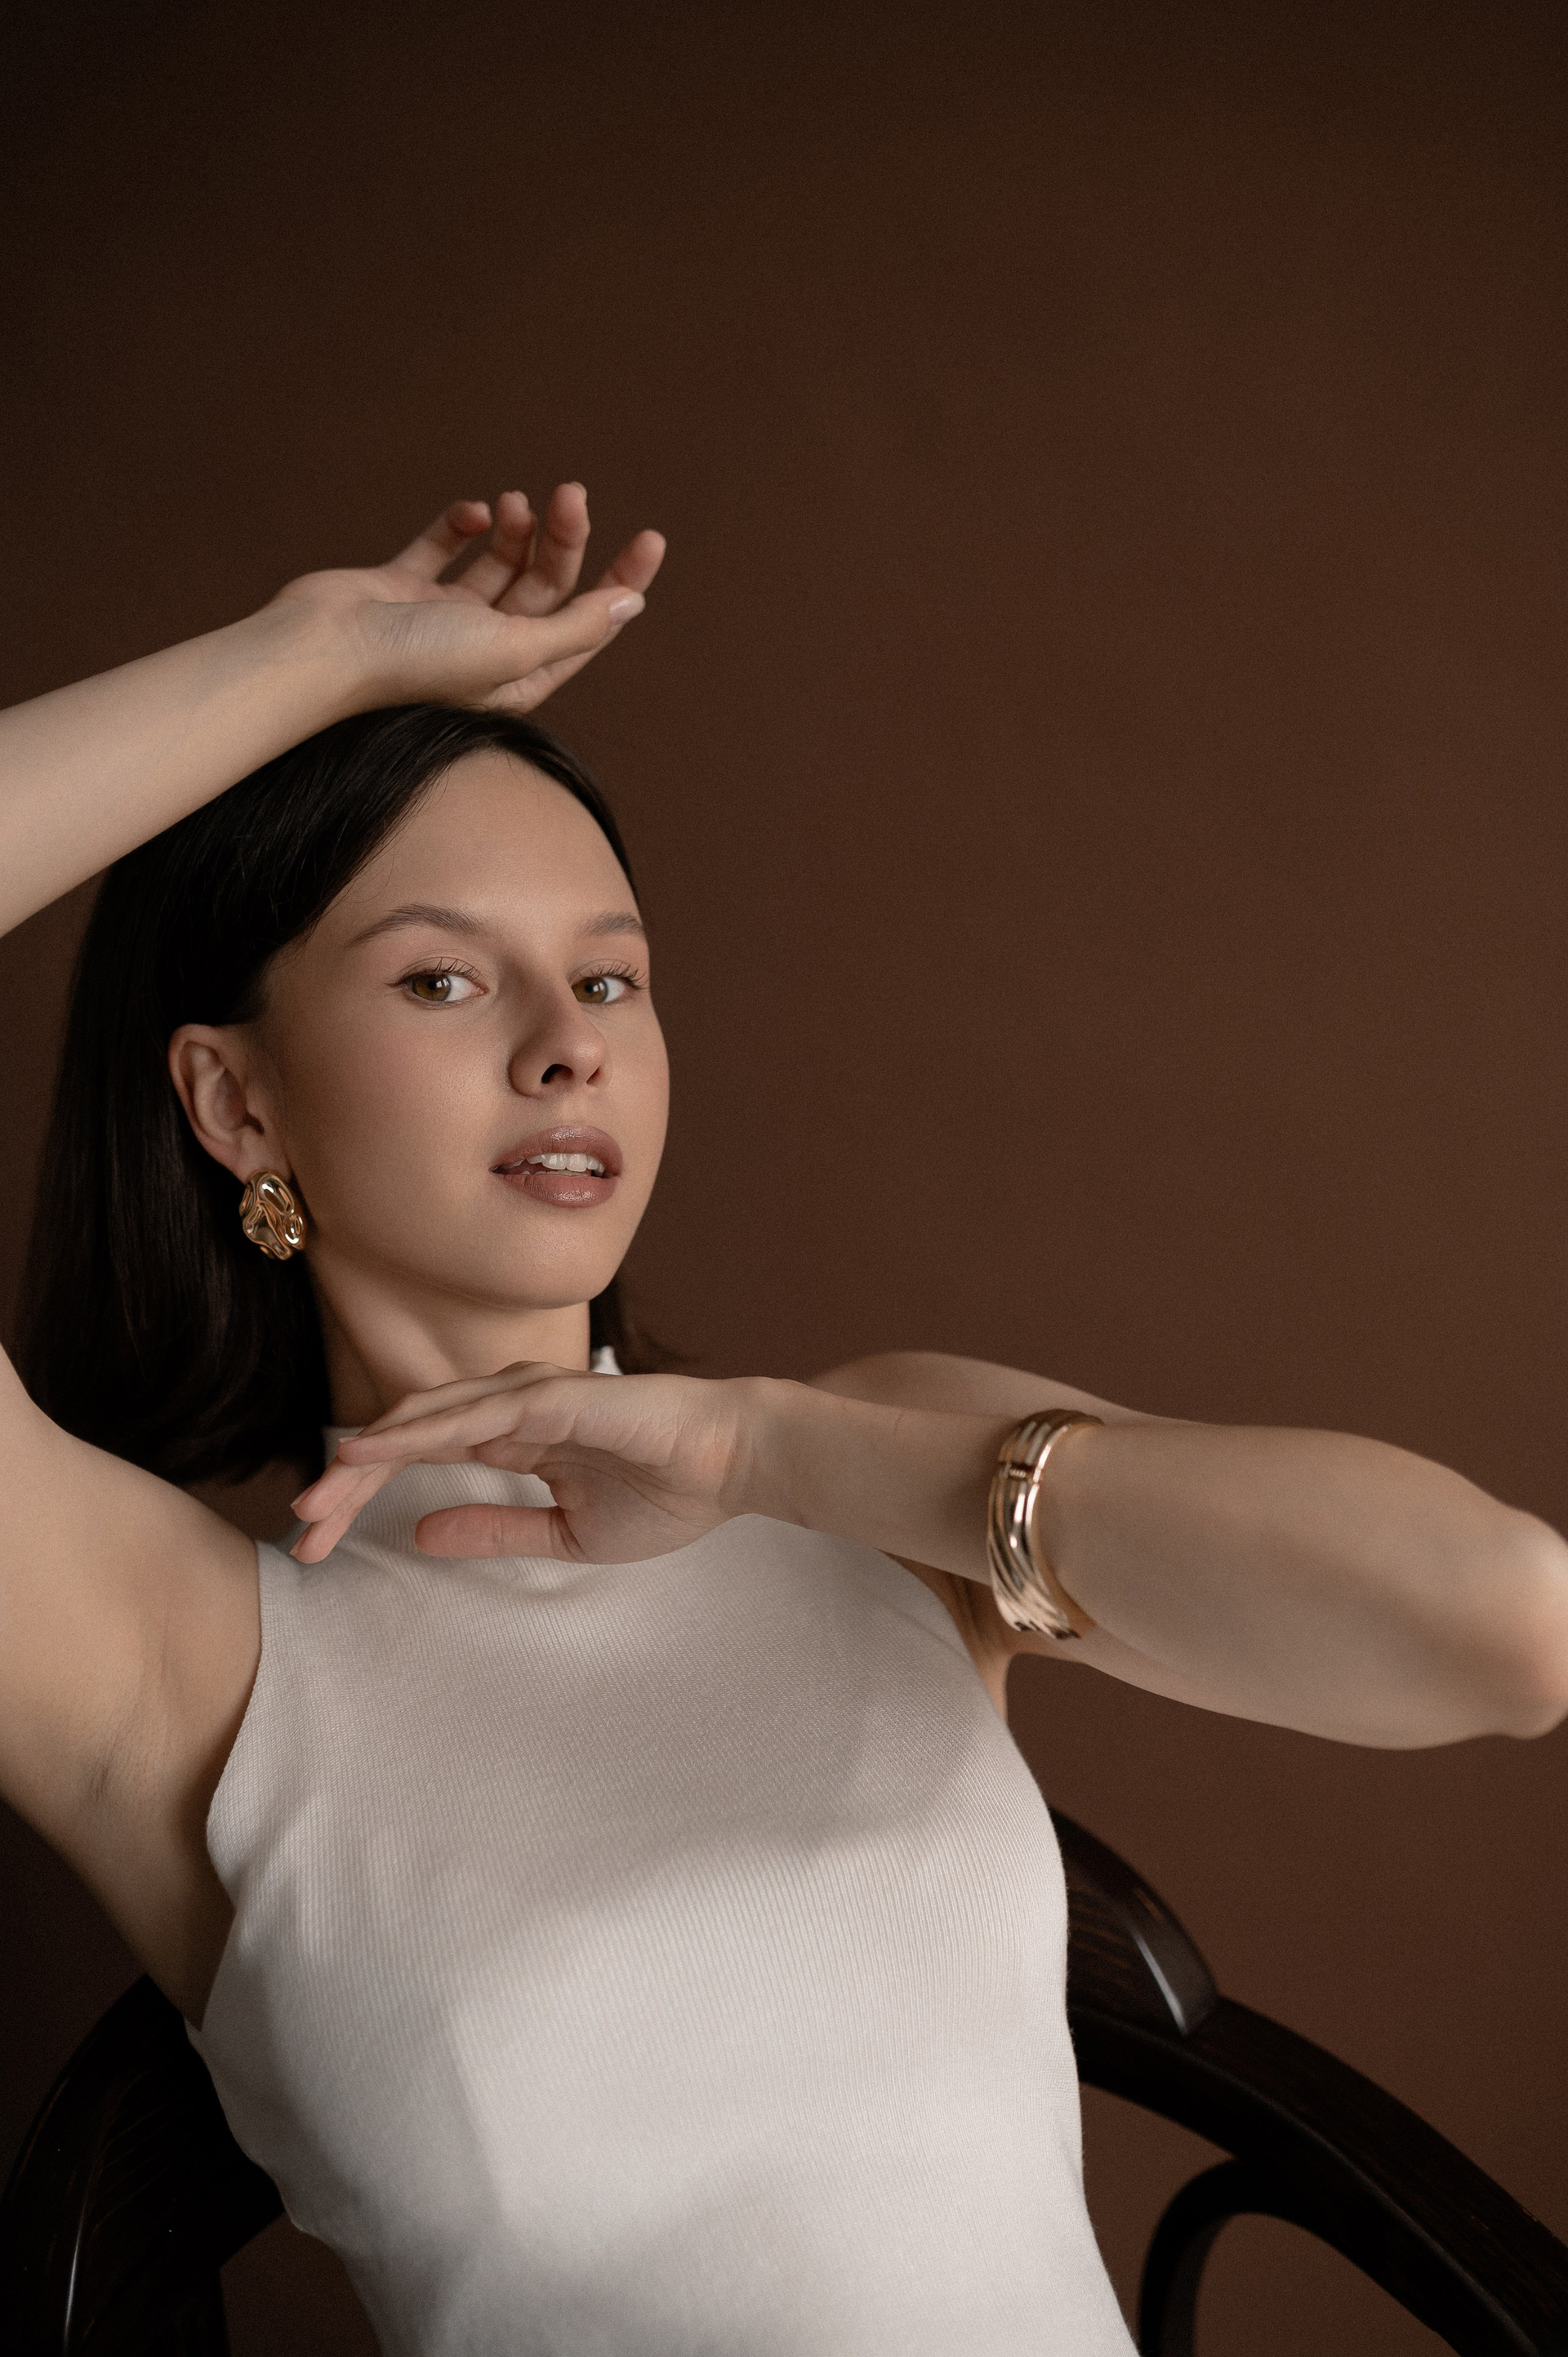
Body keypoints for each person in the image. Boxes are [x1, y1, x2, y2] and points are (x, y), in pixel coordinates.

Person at [2, 482, 1566, 2357]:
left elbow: (1504, 1621)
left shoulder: (871, 1464)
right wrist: (311, 659)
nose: (567, 1041)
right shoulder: (165, 1655)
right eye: (443, 977)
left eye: (609, 976)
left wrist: (775, 1457)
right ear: (235, 1104)